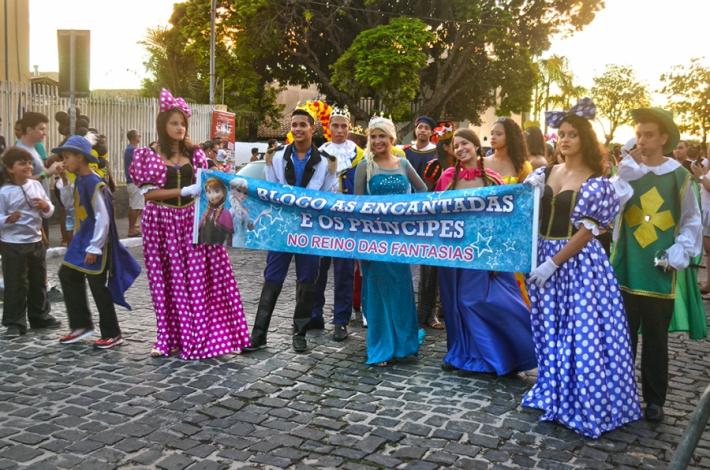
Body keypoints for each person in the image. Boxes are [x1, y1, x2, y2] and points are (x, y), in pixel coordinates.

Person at [523, 112, 641, 438]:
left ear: (585, 140)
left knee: (579, 334)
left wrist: (553, 263)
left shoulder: (597, 181)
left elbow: (587, 233)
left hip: (577, 265)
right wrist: (527, 192)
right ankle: (553, 389)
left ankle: (582, 399)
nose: (565, 139)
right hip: (544, 256)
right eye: (561, 133)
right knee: (549, 329)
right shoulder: (546, 171)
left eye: (572, 134)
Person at [129, 89, 251, 359]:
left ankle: (200, 334)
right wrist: (182, 192)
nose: (180, 127)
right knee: (165, 280)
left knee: (202, 278)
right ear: (163, 125)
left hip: (191, 221)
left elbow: (211, 184)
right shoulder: (148, 155)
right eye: (174, 122)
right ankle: (166, 336)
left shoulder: (195, 154)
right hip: (160, 222)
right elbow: (148, 195)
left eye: (182, 123)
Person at [612, 108, 702, 422]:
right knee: (622, 337)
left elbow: (692, 220)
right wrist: (622, 177)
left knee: (655, 339)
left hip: (658, 269)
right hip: (625, 266)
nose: (643, 141)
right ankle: (620, 394)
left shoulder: (679, 176)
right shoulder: (627, 172)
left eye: (649, 135)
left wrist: (682, 250)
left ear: (664, 138)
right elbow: (611, 214)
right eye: (639, 134)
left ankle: (654, 400)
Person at [436, 129, 536, 376]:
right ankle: (462, 353)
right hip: (454, 252)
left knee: (476, 300)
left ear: (475, 146)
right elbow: (436, 212)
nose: (460, 149)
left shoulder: (492, 178)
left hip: (486, 251)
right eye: (455, 145)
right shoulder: (447, 177)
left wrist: (501, 253)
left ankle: (504, 352)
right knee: (456, 304)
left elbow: (506, 217)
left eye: (465, 143)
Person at [244, 107, 338, 353]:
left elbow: (330, 197)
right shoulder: (275, 157)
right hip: (281, 228)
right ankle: (259, 334)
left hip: (309, 229)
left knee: (307, 280)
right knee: (272, 277)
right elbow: (271, 190)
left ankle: (300, 332)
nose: (297, 129)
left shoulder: (326, 163)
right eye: (294, 124)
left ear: (312, 128)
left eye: (302, 125)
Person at [54, 136, 141, 349]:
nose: (64, 161)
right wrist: (64, 180)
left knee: (97, 285)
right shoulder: (79, 180)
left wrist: (95, 246)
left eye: (67, 157)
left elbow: (103, 218)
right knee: (67, 274)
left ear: (81, 158)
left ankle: (112, 333)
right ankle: (81, 325)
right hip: (83, 236)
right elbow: (68, 204)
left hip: (96, 240)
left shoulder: (94, 182)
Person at [354, 116, 427, 366]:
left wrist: (410, 214)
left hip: (399, 240)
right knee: (377, 293)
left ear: (391, 138)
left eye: (381, 136)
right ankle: (381, 346)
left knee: (400, 290)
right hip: (374, 240)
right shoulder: (365, 166)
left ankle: (405, 346)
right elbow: (357, 206)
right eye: (373, 137)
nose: (377, 141)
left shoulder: (404, 164)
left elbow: (424, 192)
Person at [309, 106, 363, 341]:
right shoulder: (318, 152)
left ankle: (341, 320)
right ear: (328, 127)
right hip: (323, 219)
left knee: (344, 271)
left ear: (349, 128)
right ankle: (315, 314)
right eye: (335, 125)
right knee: (318, 270)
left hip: (347, 221)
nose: (339, 130)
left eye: (343, 126)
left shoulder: (359, 154)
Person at [0, 147, 60, 337]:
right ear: (10, 169)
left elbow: (49, 211)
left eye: (28, 162)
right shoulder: (4, 192)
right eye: (21, 163)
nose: (27, 166)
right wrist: (7, 219)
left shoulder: (35, 186)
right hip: (13, 244)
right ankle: (14, 322)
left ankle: (40, 316)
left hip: (35, 241)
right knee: (16, 284)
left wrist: (45, 206)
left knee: (38, 281)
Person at [486, 117, 533, 307]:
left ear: (510, 137)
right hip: (483, 229)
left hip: (509, 231)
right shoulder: (482, 162)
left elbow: (526, 203)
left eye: (498, 133)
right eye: (491, 134)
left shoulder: (523, 166)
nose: (493, 137)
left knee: (511, 285)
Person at [417, 121, 456, 330]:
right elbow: (427, 193)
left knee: (448, 271)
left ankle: (445, 309)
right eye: (453, 144)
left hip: (455, 225)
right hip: (434, 223)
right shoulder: (434, 166)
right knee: (430, 272)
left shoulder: (462, 166)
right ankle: (427, 313)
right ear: (445, 146)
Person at [124, 129, 144, 237]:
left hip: (131, 181)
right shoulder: (133, 150)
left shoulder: (129, 149)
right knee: (136, 206)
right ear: (133, 137)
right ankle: (131, 229)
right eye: (138, 135)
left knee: (134, 205)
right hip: (134, 181)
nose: (139, 136)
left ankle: (133, 227)